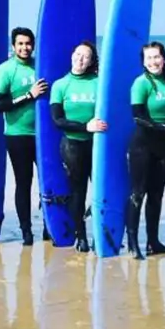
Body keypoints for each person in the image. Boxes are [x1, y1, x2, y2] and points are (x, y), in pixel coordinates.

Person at [126, 42, 165, 259]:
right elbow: (139, 117)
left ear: (164, 58)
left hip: (164, 147)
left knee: (156, 196)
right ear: (143, 61)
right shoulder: (141, 84)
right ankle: (132, 243)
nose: (153, 62)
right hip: (142, 146)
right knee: (137, 193)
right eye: (149, 58)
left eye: (157, 57)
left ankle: (153, 242)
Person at [0, 27, 49, 246]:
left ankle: (49, 225)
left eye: (28, 43)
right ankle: (26, 230)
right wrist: (28, 95)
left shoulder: (41, 65)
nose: (25, 47)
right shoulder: (5, 70)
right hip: (18, 136)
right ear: (13, 46)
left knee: (48, 181)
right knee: (24, 183)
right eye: (21, 44)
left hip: (44, 136)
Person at [49, 41, 107, 253]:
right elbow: (58, 120)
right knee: (78, 192)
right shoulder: (60, 85)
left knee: (102, 190)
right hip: (72, 145)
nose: (80, 59)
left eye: (86, 56)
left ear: (92, 61)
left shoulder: (99, 83)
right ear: (72, 55)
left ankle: (104, 235)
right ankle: (81, 236)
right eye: (77, 54)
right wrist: (86, 126)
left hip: (98, 145)